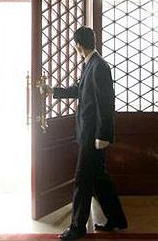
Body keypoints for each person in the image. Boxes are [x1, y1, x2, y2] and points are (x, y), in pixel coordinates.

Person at [41, 26, 127, 240]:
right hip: (88, 133)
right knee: (99, 178)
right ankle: (117, 219)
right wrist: (54, 91)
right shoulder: (90, 64)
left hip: (93, 135)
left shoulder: (99, 66)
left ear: (78, 44)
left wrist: (103, 135)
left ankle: (77, 228)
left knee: (82, 179)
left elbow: (106, 104)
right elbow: (79, 90)